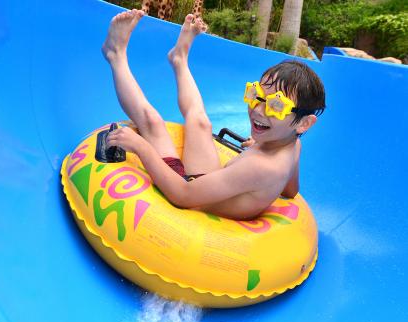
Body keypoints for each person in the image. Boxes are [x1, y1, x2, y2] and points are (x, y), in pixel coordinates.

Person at [103, 9, 325, 220]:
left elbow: (182, 195)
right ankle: (179, 59)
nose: (258, 109)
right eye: (256, 95)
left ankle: (115, 54)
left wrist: (142, 147)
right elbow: (291, 190)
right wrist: (261, 147)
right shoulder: (293, 146)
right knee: (200, 122)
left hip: (189, 191)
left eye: (276, 106)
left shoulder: (261, 167)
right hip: (209, 179)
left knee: (152, 123)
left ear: (304, 123)